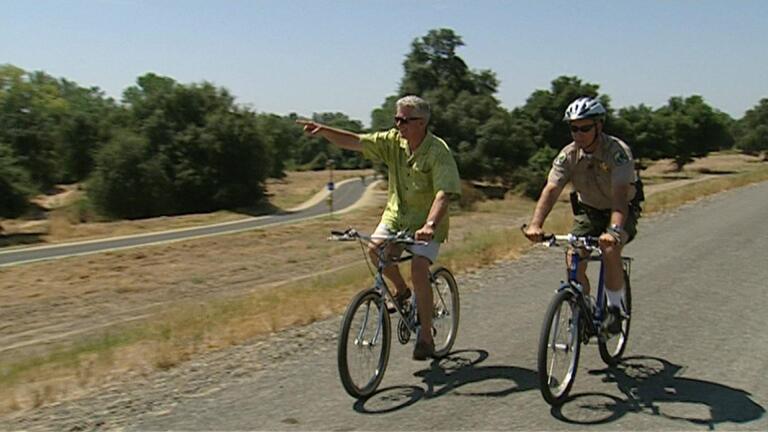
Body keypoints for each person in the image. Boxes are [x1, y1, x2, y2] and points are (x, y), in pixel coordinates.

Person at [297, 95, 461, 360]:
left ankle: (427, 338)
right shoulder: (392, 142)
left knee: (419, 268)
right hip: (396, 216)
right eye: (396, 119)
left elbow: (443, 194)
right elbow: (356, 141)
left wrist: (430, 225)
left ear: (421, 123)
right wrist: (324, 131)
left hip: (427, 223)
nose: (399, 125)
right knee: (375, 250)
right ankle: (402, 290)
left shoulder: (437, 151)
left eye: (405, 120)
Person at [523, 96, 641, 333]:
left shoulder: (617, 152)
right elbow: (552, 189)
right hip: (589, 211)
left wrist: (614, 232)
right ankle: (583, 306)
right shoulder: (568, 155)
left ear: (599, 125)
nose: (579, 134)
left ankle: (616, 309)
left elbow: (620, 196)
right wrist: (535, 225)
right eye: (574, 128)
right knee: (573, 257)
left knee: (609, 249)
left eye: (585, 128)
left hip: (621, 210)